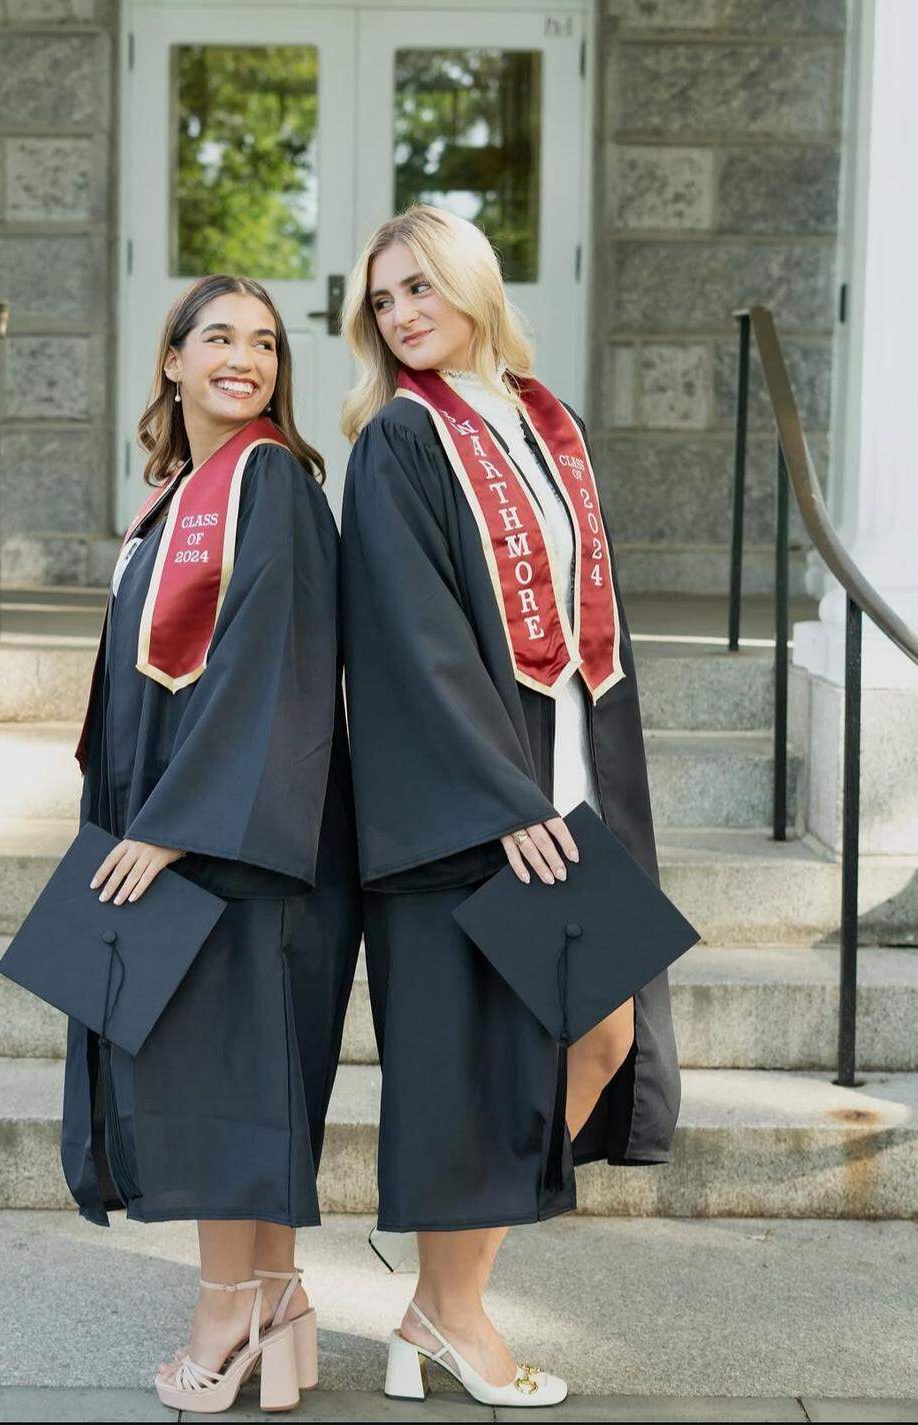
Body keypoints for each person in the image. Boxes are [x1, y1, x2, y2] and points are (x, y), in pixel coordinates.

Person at [339, 205, 681, 1408]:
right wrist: (498, 794)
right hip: (479, 811)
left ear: (474, 286)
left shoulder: (550, 422)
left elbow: (601, 611)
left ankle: (438, 1308)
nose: (405, 315)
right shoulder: (397, 444)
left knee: (602, 1037)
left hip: (577, 787)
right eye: (384, 301)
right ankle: (461, 1317)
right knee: (483, 1065)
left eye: (422, 288)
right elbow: (412, 642)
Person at [60, 274, 360, 1414]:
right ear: (173, 361)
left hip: (240, 840)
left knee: (230, 1086)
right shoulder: (176, 496)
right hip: (188, 823)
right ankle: (277, 1307)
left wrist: (175, 829)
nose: (247, 357)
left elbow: (275, 669)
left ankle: (226, 1317)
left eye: (269, 344)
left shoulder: (270, 482)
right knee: (237, 1083)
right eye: (220, 337)